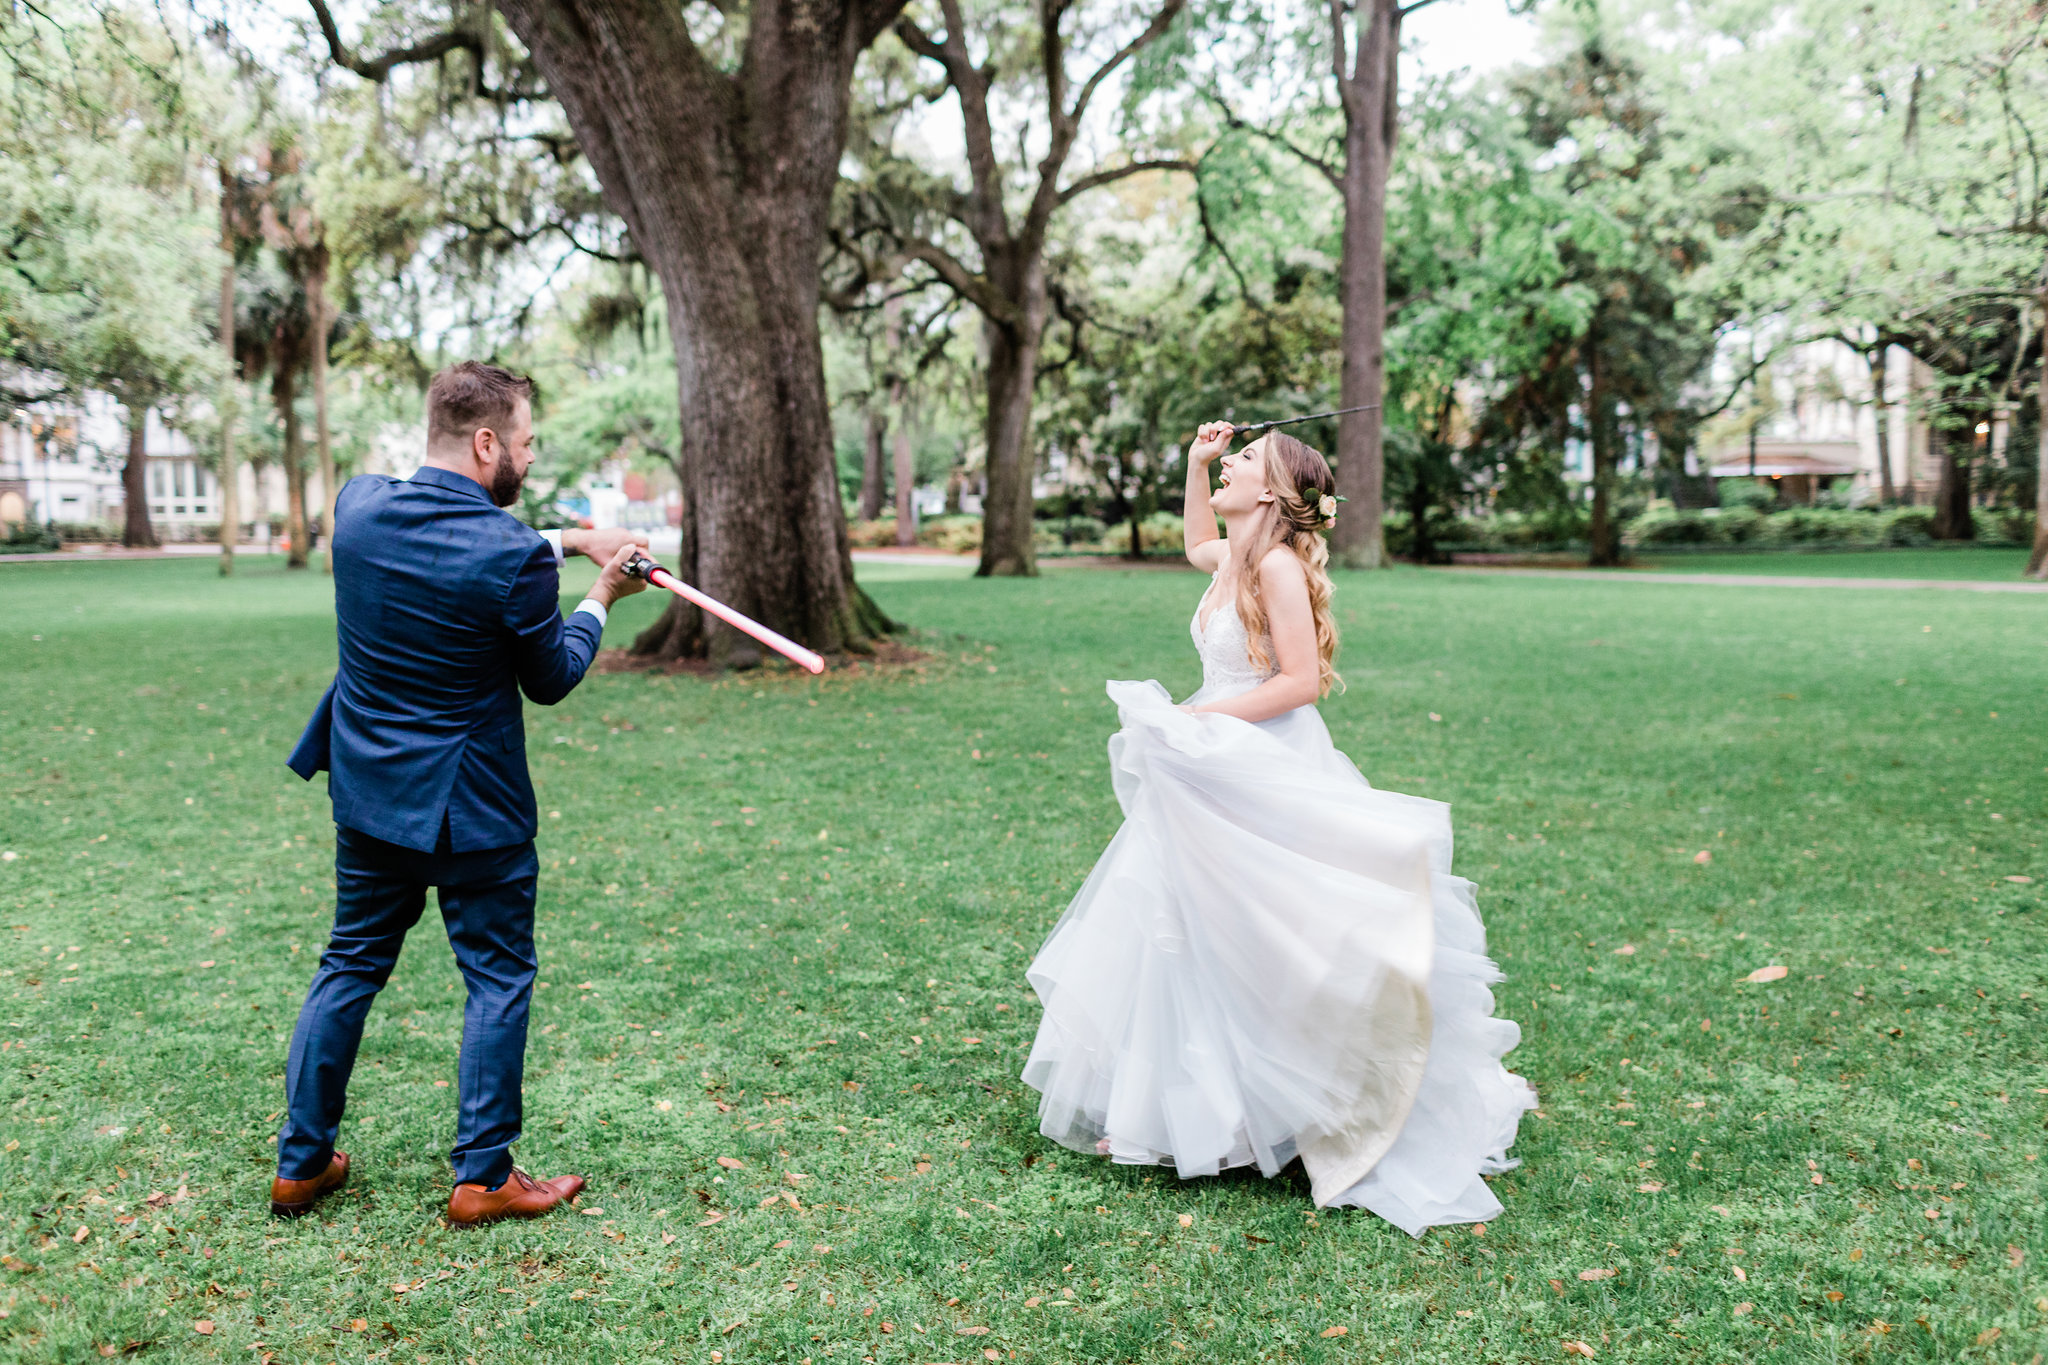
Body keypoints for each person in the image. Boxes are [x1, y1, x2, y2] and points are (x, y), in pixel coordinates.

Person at [1020, 420, 1536, 1234]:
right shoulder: (1231, 559)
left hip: (1265, 764)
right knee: (1186, 925)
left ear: (1273, 491)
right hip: (1212, 762)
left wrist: (1198, 715)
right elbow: (1195, 538)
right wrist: (1193, 464)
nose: (1230, 461)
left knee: (1276, 935)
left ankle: (1292, 1104)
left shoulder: (1279, 567)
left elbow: (1300, 681)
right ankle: (1202, 1115)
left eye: (1243, 458)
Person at [272, 361, 648, 1227]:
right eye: (522, 442)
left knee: (349, 965)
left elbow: (461, 540)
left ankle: (300, 1163)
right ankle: (482, 1178)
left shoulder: (358, 506)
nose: (525, 456)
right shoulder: (509, 557)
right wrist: (599, 595)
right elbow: (550, 676)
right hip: (473, 809)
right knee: (497, 978)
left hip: (369, 795)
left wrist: (569, 539)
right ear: (487, 443)